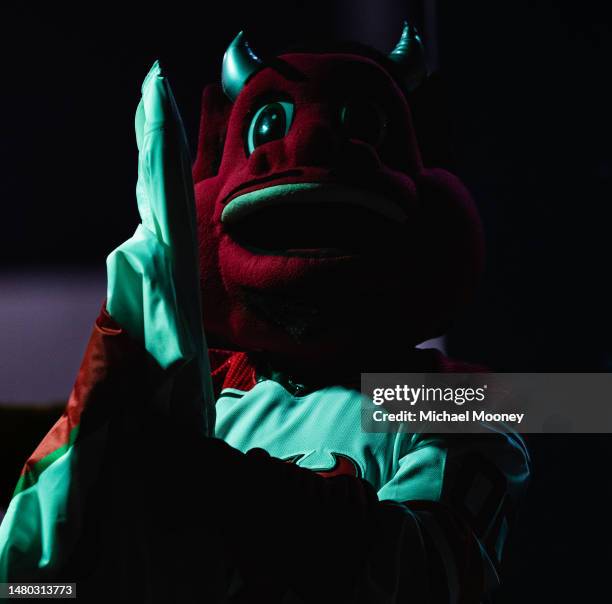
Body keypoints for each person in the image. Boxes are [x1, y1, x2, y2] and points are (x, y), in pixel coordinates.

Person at [0, 24, 529, 603]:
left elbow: (425, 573)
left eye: (363, 129)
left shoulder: (452, 395)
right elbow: (59, 583)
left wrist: (221, 485)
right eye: (270, 127)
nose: (310, 149)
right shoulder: (199, 391)